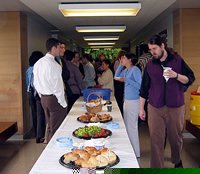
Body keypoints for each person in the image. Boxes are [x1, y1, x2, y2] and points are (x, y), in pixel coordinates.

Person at [139, 34, 195, 168]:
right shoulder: (150, 65)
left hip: (175, 106)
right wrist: (141, 108)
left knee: (175, 138)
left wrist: (176, 75)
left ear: (162, 46)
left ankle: (177, 159)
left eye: (155, 48)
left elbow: (190, 78)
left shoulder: (177, 60)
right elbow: (144, 88)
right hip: (155, 106)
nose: (153, 52)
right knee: (156, 139)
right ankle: (157, 167)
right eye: (150, 49)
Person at [33, 38, 67, 143]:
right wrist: (63, 102)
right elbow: (58, 86)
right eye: (59, 47)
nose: (60, 50)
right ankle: (55, 149)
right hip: (54, 99)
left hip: (43, 98)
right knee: (57, 127)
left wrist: (41, 95)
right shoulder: (54, 65)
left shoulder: (38, 63)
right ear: (53, 48)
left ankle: (48, 145)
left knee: (50, 125)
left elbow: (35, 82)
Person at [115, 52, 142, 158]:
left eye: (124, 58)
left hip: (134, 101)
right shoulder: (126, 70)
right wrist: (121, 65)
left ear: (130, 59)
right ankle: (131, 150)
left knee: (132, 127)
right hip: (126, 101)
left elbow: (140, 85)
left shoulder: (135, 70)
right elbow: (116, 76)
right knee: (127, 126)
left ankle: (136, 152)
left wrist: (127, 80)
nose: (122, 59)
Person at [26, 51, 46, 143]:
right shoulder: (39, 69)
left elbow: (27, 83)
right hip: (38, 93)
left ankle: (35, 132)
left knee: (34, 113)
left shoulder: (28, 69)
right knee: (40, 114)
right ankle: (40, 136)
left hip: (30, 93)